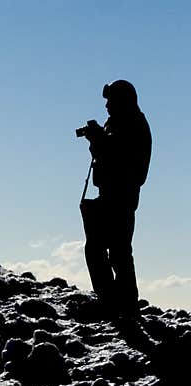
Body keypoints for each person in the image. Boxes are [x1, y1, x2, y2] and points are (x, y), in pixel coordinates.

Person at [79, 80, 152, 319]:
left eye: (111, 100)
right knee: (103, 250)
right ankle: (115, 301)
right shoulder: (123, 124)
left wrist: (99, 139)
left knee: (117, 252)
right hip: (111, 195)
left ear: (123, 100)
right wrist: (98, 139)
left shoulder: (133, 125)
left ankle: (121, 303)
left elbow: (120, 159)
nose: (107, 105)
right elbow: (107, 155)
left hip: (120, 197)